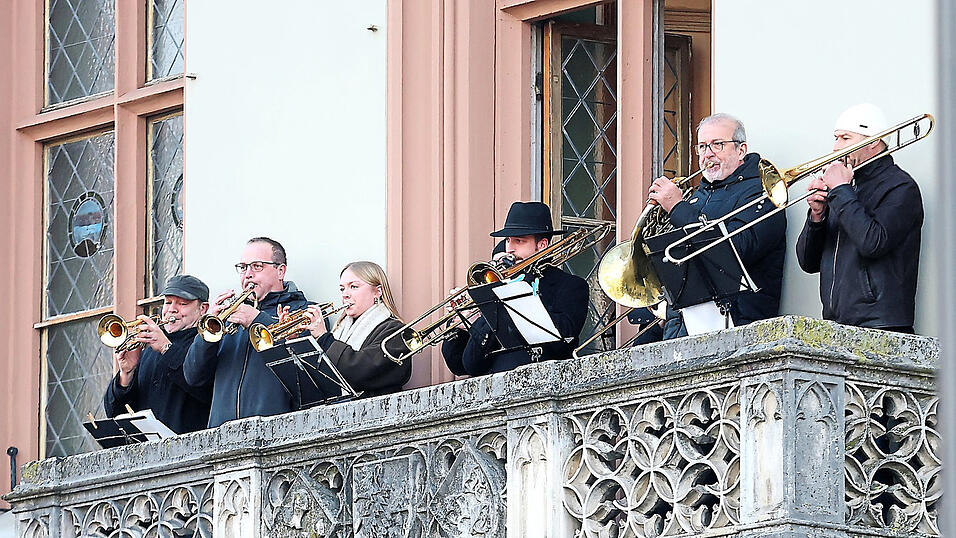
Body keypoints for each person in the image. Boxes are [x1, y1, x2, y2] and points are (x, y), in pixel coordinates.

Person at [648, 113, 787, 339]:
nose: (708, 154)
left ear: (741, 150)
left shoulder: (764, 194)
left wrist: (677, 209)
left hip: (738, 321)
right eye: (702, 147)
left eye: (717, 145)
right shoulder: (696, 197)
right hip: (683, 322)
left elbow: (736, 249)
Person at [796, 103, 923, 333]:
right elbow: (808, 262)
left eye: (845, 138)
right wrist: (817, 216)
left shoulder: (901, 187)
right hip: (836, 325)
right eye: (836, 138)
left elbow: (873, 243)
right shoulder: (844, 189)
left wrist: (841, 191)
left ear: (873, 140)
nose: (835, 147)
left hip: (882, 326)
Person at [441, 201, 589, 375]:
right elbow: (463, 366)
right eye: (508, 241)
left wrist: (518, 289)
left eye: (519, 241)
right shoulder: (493, 289)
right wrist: (461, 327)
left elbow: (562, 344)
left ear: (541, 245)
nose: (510, 248)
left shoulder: (571, 286)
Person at [184, 237, 310, 427]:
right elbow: (193, 377)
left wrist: (257, 321)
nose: (248, 274)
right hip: (222, 437)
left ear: (280, 271)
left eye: (257, 266)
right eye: (243, 267)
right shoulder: (229, 317)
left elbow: (306, 373)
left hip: (276, 432)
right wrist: (207, 334)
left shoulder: (304, 312)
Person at [103, 275, 213, 434]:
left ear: (202, 308)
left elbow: (201, 386)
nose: (172, 309)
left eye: (182, 303)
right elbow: (114, 412)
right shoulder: (148, 348)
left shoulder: (206, 343)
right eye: (168, 302)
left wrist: (166, 348)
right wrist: (126, 374)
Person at [302, 261, 411, 396]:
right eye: (342, 289)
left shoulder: (395, 331)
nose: (345, 294)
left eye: (353, 286)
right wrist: (293, 342)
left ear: (378, 291)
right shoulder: (339, 329)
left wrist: (324, 338)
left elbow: (361, 371)